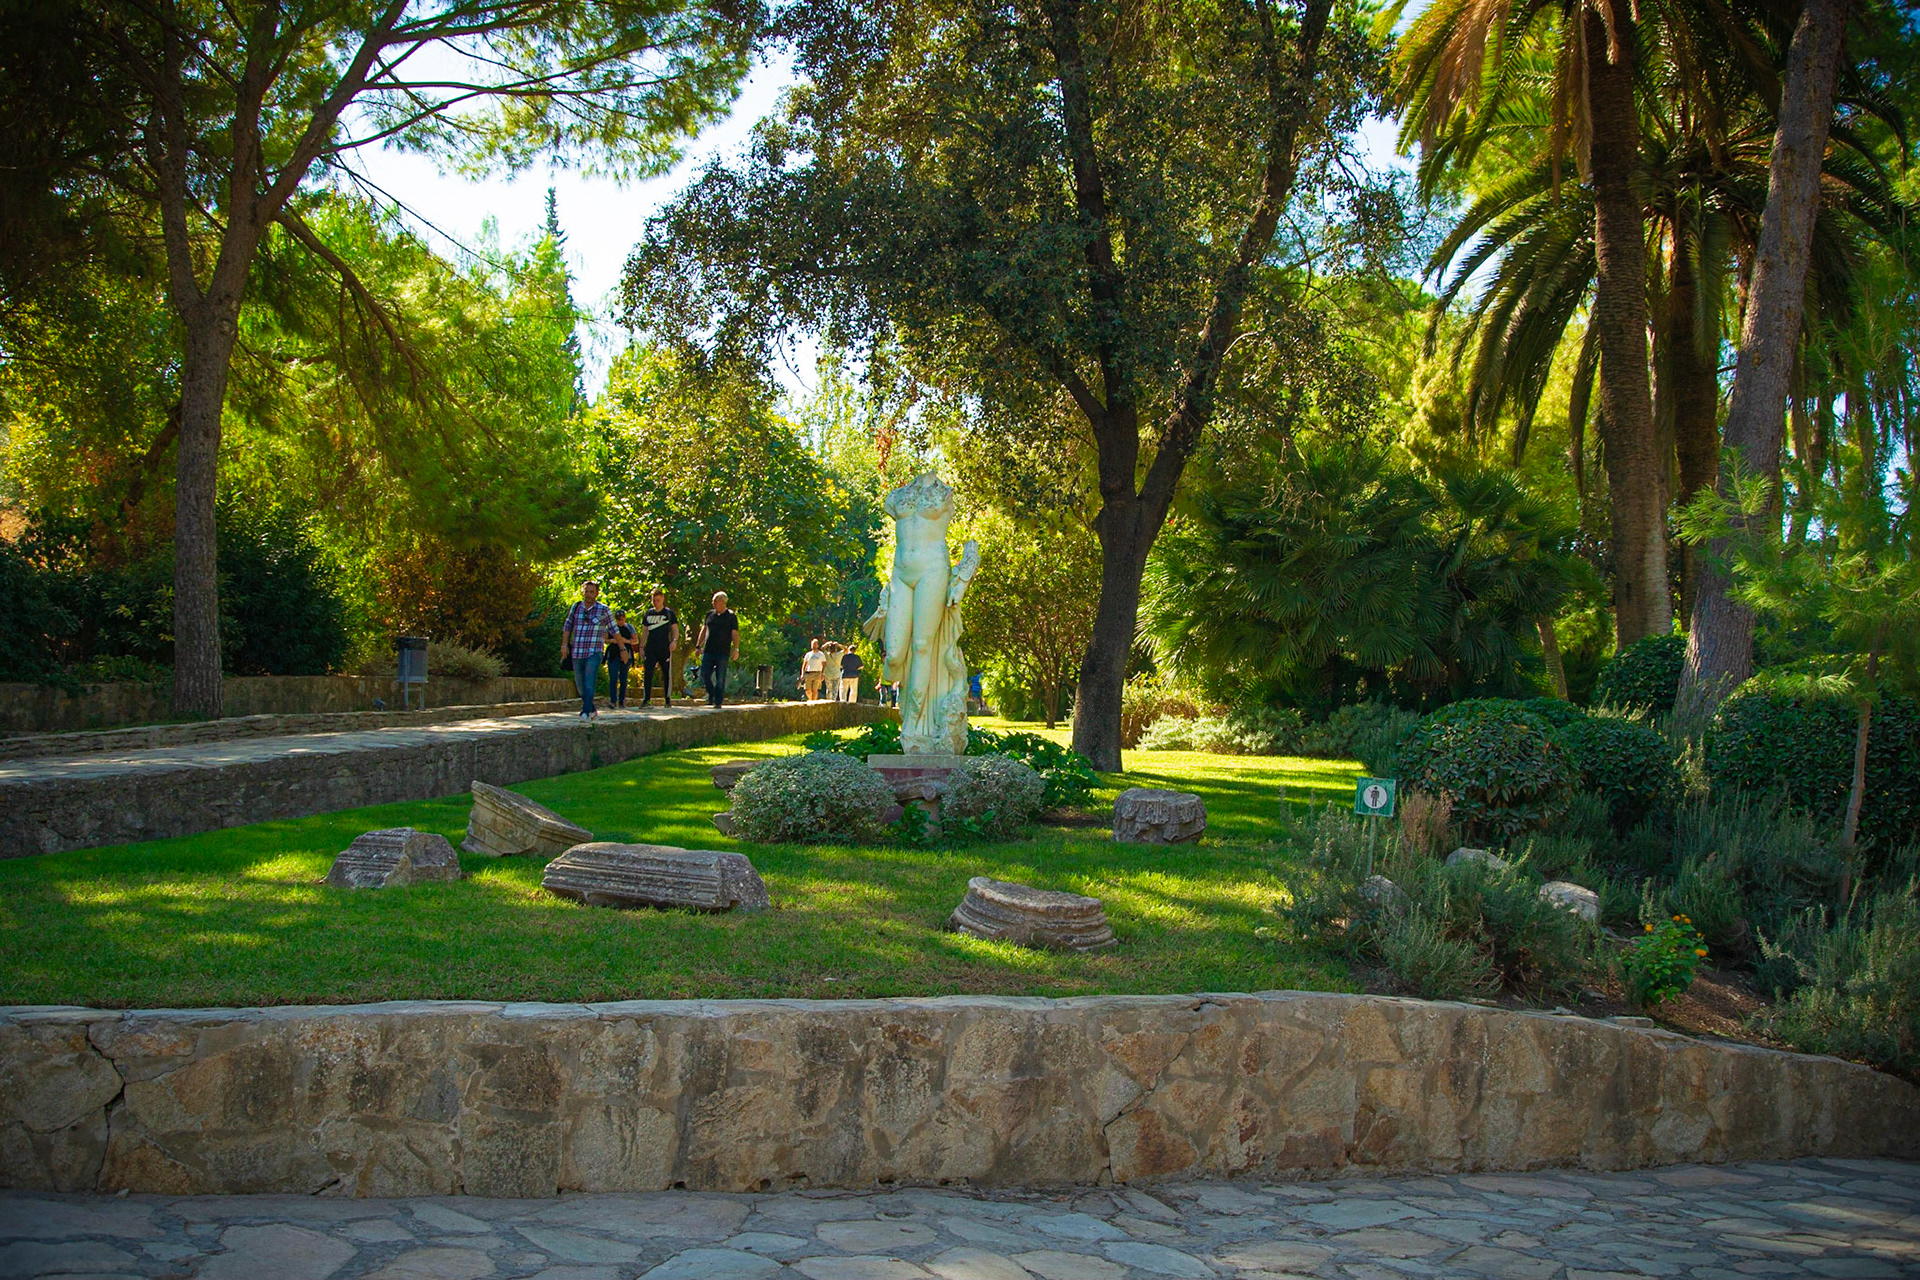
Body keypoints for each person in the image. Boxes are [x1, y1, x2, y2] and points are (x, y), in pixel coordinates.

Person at [560, 580, 615, 721]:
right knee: (580, 685)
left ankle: (584, 712)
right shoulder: (576, 607)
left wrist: (622, 648)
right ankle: (592, 709)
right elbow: (568, 626)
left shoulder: (604, 610)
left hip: (594, 651)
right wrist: (564, 645)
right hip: (577, 651)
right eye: (586, 591)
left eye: (592, 591)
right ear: (582, 591)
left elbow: (614, 629)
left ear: (597, 593)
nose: (588, 594)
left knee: (589, 681)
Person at [694, 591, 740, 708]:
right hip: (709, 650)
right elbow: (704, 630)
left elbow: (734, 634)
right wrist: (698, 646)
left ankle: (718, 701)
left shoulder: (731, 616)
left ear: (722, 602)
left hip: (722, 653)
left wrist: (736, 649)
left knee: (720, 678)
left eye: (715, 601)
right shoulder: (710, 614)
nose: (712, 603)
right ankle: (712, 694)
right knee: (704, 674)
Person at [638, 589, 678, 707]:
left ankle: (667, 699)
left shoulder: (669, 613)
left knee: (666, 673)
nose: (656, 602)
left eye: (658, 600)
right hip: (650, 648)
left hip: (664, 647)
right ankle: (646, 699)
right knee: (648, 673)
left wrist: (674, 641)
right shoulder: (648, 614)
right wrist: (641, 646)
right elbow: (645, 631)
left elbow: (675, 629)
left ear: (663, 600)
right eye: (654, 600)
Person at [605, 610, 637, 710]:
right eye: (618, 619)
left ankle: (622, 700)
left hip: (626, 655)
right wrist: (613, 641)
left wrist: (625, 641)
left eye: (622, 619)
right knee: (613, 678)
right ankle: (613, 700)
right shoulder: (610, 628)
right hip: (613, 655)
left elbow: (635, 640)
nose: (620, 621)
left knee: (623, 678)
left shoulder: (629, 627)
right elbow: (605, 640)